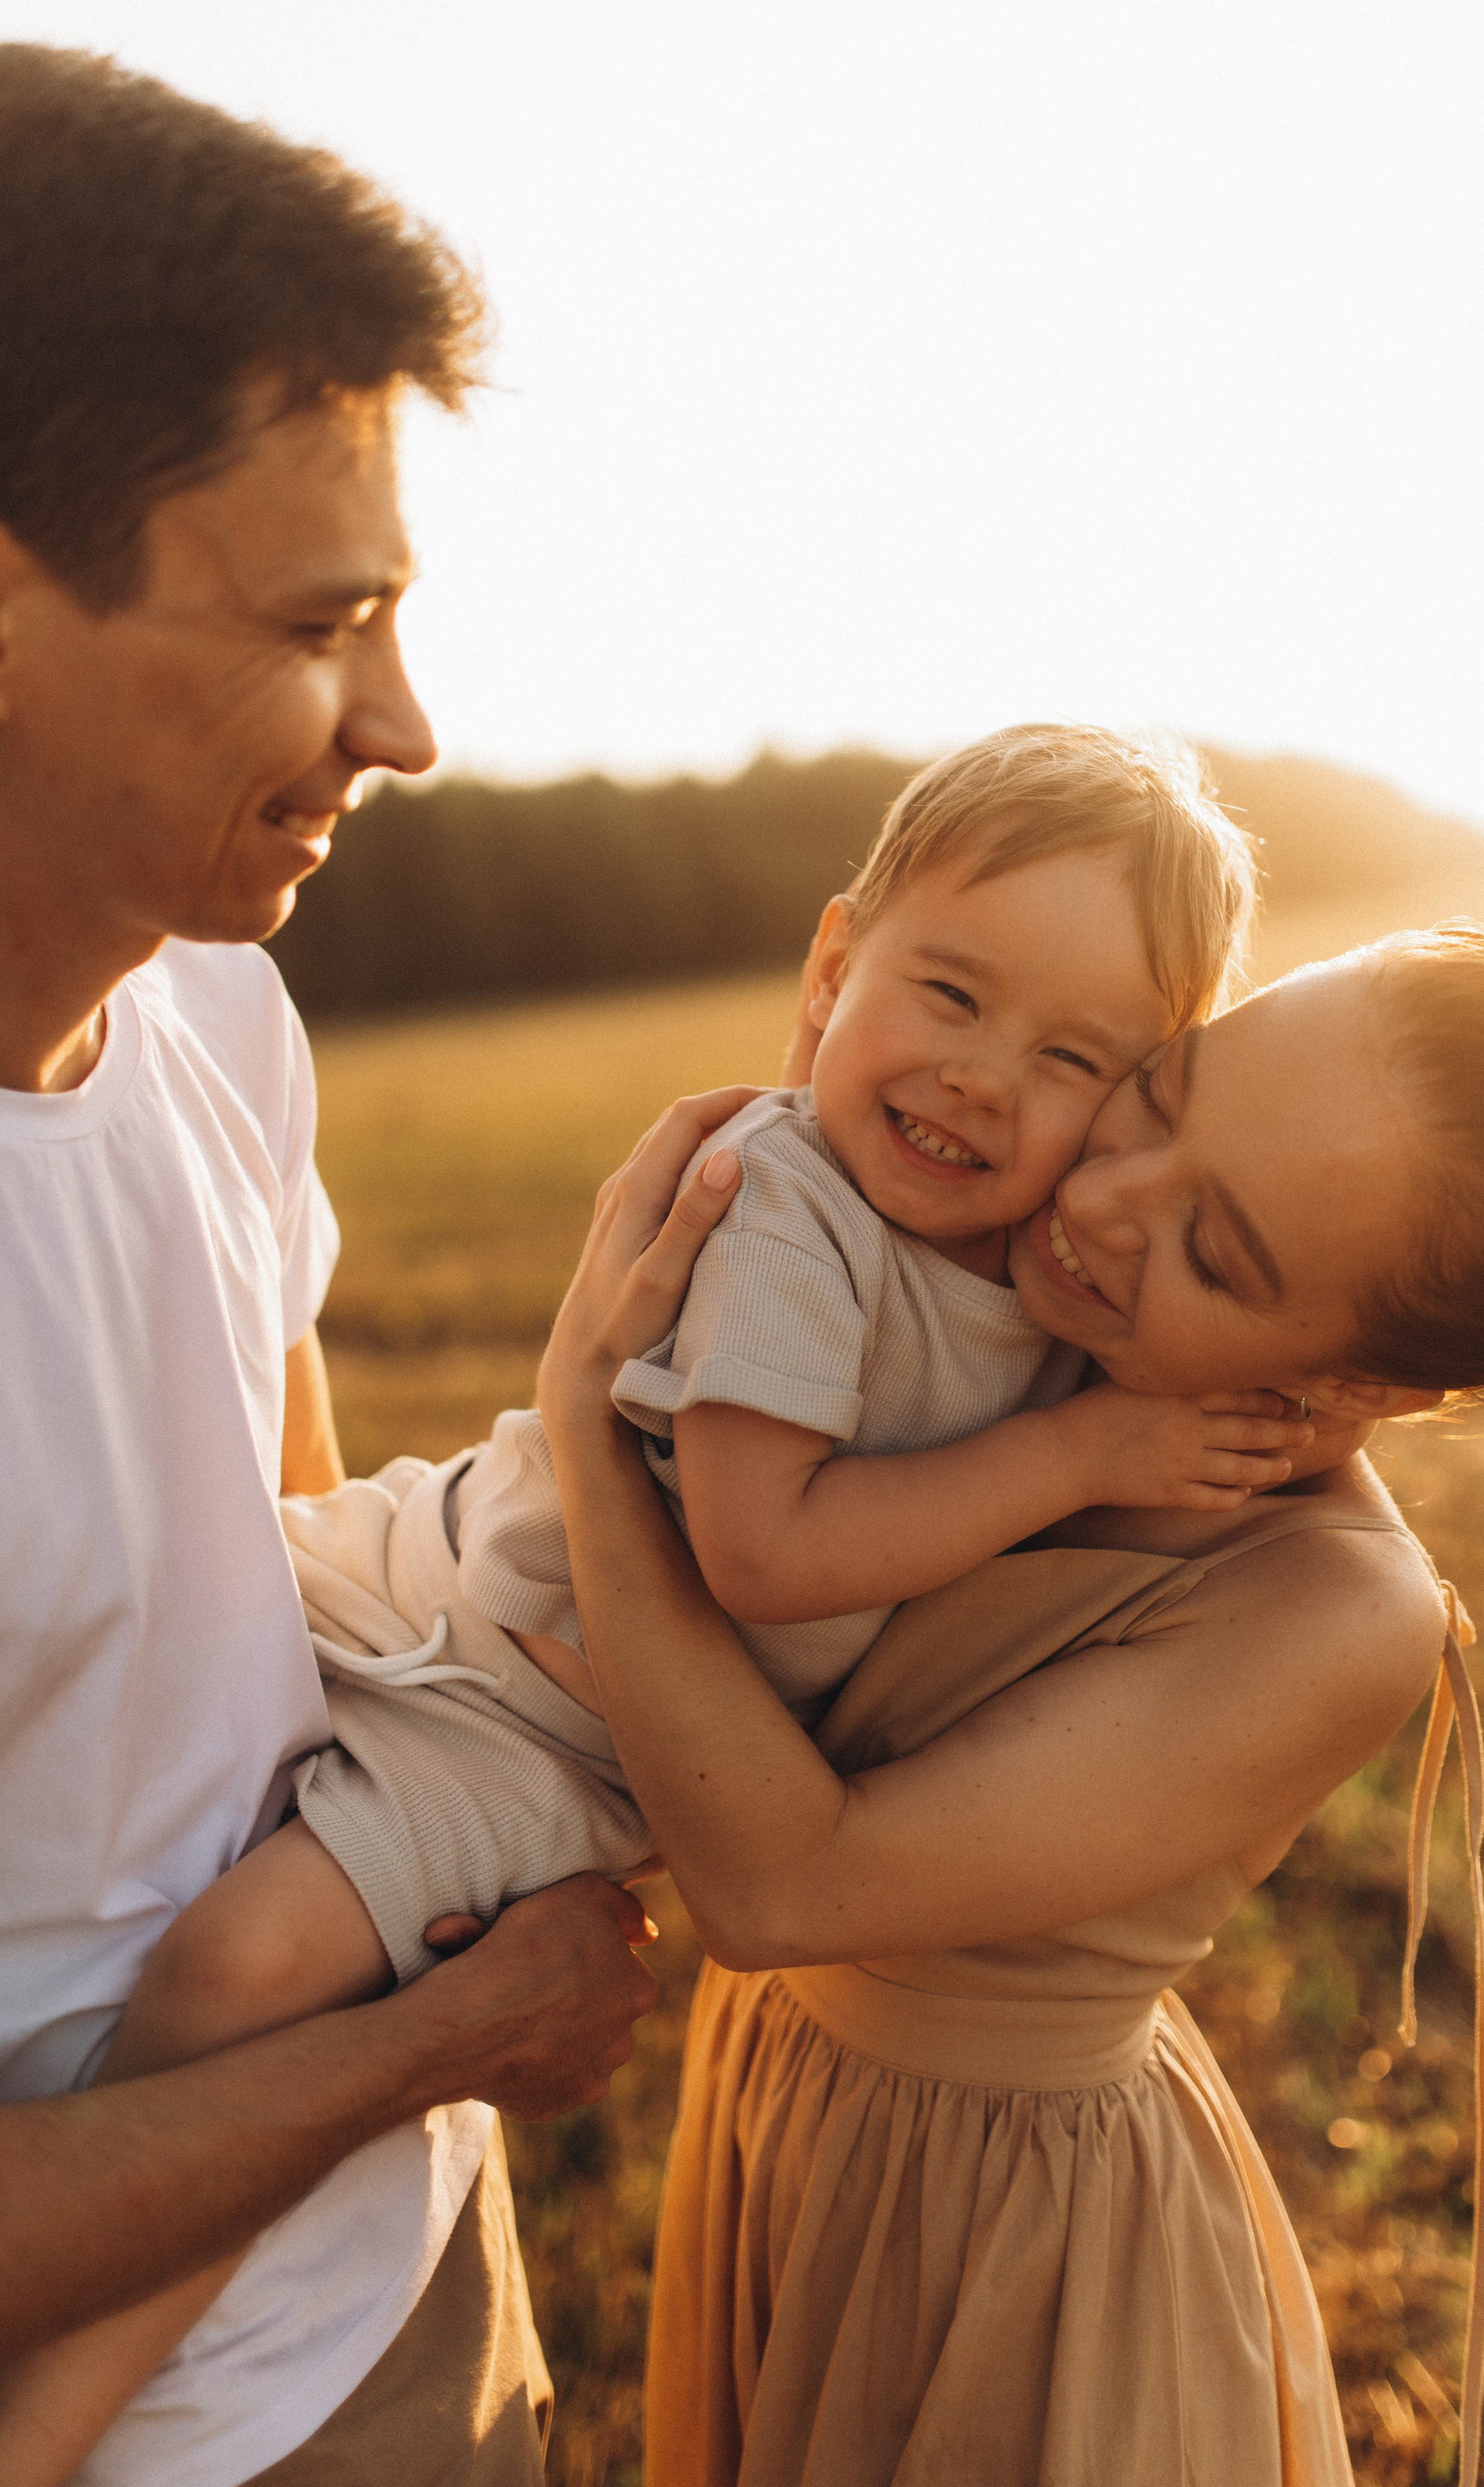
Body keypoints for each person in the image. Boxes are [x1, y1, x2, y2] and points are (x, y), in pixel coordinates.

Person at [3, 723, 1328, 2481]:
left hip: (536, 1725)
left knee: (245, 1963)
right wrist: (1090, 1458)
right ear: (832, 967)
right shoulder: (787, 1203)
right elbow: (765, 1548)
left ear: (1142, 1100)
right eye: (947, 994)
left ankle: (54, 2408)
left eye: (1077, 1056)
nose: (988, 1079)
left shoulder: (1036, 1275)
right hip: (466, 1595)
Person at [536, 927, 1484, 2487]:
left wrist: (582, 1441)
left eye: (1220, 1254)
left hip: (1008, 2253)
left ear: (1373, 1388)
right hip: (796, 2116)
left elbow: (782, 1881)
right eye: (1160, 1093)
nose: (1100, 1201)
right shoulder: (1036, 1326)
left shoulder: (1334, 1609)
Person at [0, 45, 653, 2487]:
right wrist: (437, 2037)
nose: (407, 722)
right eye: (322, 619)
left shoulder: (214, 1006)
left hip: (400, 2288)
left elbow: (282, 1636)